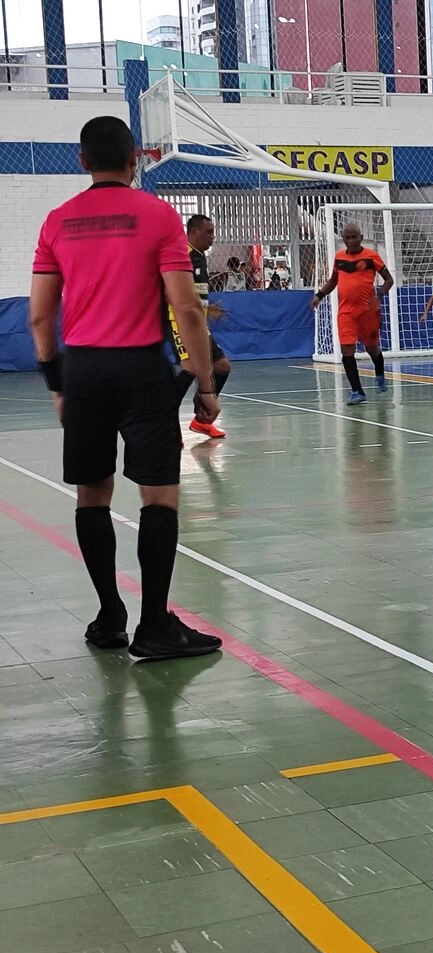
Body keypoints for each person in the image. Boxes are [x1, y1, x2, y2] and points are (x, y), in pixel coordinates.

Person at [27, 115, 221, 660]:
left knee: (93, 494)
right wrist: (204, 383)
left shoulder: (57, 221)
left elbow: (41, 319)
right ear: (135, 158)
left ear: (82, 161)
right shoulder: (159, 217)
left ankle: (110, 615)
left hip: (85, 372)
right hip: (142, 373)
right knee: (158, 495)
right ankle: (155, 625)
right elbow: (187, 309)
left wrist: (56, 382)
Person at [310, 223, 394, 404]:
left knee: (372, 348)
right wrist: (319, 295)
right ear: (343, 239)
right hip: (346, 313)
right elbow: (334, 280)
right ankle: (357, 391)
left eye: (354, 237)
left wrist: (379, 294)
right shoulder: (339, 258)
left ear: (361, 238)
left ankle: (380, 374)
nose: (351, 241)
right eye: (347, 238)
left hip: (368, 312)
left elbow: (389, 280)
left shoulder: (371, 256)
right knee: (347, 349)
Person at [171, 214, 232, 439]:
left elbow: (195, 294)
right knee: (190, 367)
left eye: (213, 232)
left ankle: (202, 419)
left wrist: (207, 310)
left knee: (222, 366)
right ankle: (164, 422)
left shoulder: (199, 257)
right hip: (177, 319)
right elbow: (178, 292)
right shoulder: (183, 255)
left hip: (197, 321)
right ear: (193, 232)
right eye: (208, 232)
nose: (212, 237)